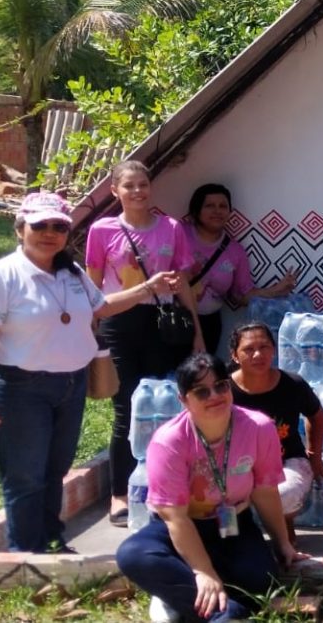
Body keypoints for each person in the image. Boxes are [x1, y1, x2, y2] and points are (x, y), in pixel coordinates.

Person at [0, 192, 184, 553]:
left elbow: (101, 308)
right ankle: (25, 554)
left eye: (58, 226)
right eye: (40, 226)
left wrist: (148, 288)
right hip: (21, 388)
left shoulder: (71, 272)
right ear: (20, 229)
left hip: (70, 384)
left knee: (55, 469)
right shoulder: (1, 276)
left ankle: (51, 542)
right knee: (25, 476)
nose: (49, 233)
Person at [116, 353, 306, 623]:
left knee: (261, 578)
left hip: (232, 522)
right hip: (181, 527)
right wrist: (203, 571)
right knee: (133, 555)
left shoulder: (259, 427)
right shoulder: (169, 441)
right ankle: (222, 611)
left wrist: (283, 543)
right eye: (201, 392)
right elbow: (175, 517)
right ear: (184, 400)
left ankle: (187, 599)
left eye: (221, 386)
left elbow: (264, 491)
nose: (214, 396)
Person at [87, 159, 205, 527]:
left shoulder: (171, 228)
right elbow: (91, 288)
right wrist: (90, 330)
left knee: (164, 405)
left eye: (143, 185)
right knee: (126, 408)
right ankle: (120, 493)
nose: (137, 191)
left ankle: (163, 489)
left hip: (162, 324)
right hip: (119, 324)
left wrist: (197, 332)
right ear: (115, 191)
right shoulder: (102, 230)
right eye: (129, 186)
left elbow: (182, 281)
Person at [226, 323, 323, 533]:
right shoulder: (224, 390)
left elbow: (316, 416)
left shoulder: (293, 384)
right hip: (236, 463)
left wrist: (314, 456)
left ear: (273, 350)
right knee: (219, 495)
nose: (257, 354)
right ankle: (227, 540)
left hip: (287, 460)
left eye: (264, 347)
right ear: (235, 356)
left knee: (283, 493)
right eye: (248, 349)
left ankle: (284, 536)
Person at [184, 183, 296, 355]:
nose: (217, 211)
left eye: (223, 206)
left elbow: (241, 297)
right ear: (196, 209)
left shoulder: (234, 251)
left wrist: (276, 290)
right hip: (176, 320)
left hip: (209, 325)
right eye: (209, 206)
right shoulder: (180, 234)